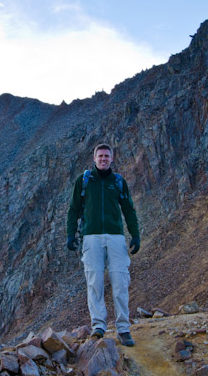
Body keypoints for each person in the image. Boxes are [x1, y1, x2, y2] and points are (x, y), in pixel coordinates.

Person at [66, 143, 140, 347]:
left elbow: (128, 209)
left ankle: (123, 329)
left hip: (115, 237)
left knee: (120, 282)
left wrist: (135, 235)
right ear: (94, 158)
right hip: (91, 237)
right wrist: (70, 234)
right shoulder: (84, 181)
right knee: (94, 282)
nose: (104, 159)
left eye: (107, 156)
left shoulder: (118, 182)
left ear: (112, 158)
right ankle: (98, 326)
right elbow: (73, 209)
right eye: (100, 156)